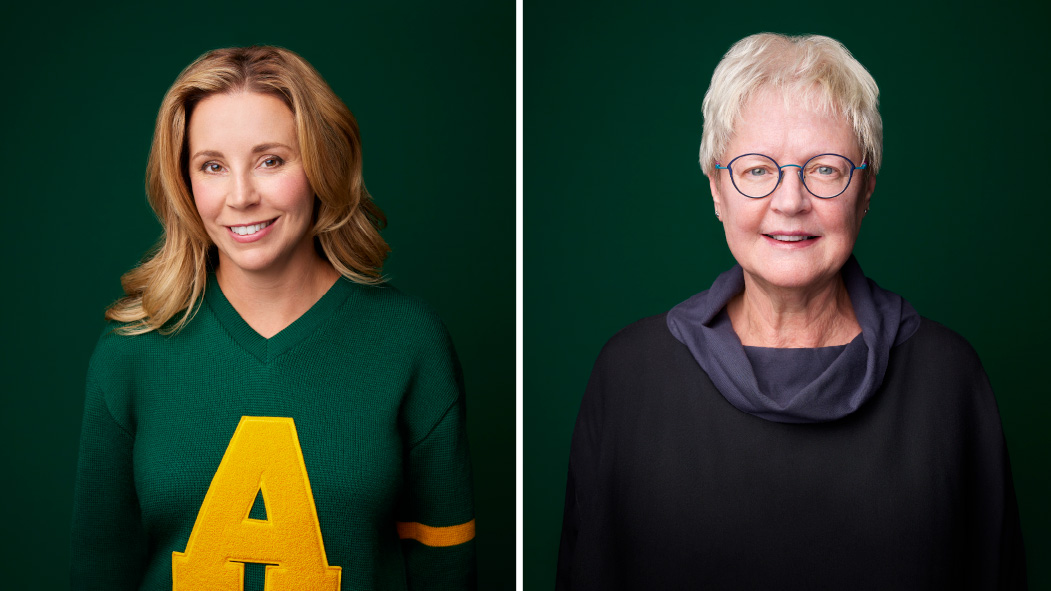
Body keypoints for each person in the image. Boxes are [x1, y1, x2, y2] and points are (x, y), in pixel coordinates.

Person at [557, 33, 1026, 589]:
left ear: (867, 186)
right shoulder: (630, 374)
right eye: (756, 170)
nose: (790, 201)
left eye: (825, 169)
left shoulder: (949, 377)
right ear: (716, 188)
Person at [70, 46, 475, 590]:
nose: (240, 196)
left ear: (321, 164)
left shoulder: (408, 341)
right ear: (185, 184)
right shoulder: (130, 350)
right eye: (212, 166)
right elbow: (99, 567)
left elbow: (445, 570)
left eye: (271, 160)